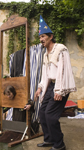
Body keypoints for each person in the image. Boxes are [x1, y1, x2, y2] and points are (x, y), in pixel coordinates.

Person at [34, 15, 76, 150]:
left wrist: (59, 90)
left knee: (51, 116)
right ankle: (49, 139)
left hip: (60, 85)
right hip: (50, 86)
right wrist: (40, 87)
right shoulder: (46, 53)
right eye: (40, 37)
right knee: (42, 113)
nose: (41, 40)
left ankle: (59, 145)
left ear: (50, 36)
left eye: (43, 37)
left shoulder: (60, 49)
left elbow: (63, 71)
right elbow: (46, 73)